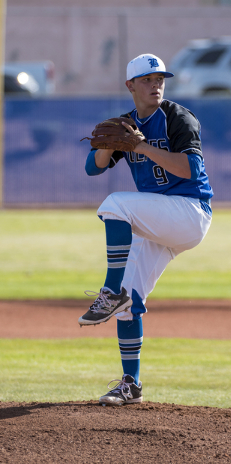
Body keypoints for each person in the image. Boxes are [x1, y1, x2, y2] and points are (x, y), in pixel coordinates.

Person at [78, 53, 213, 406]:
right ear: (131, 86)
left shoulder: (177, 117)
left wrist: (139, 146)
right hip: (159, 223)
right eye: (148, 80)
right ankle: (130, 385)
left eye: (160, 79)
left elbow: (187, 169)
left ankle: (108, 291)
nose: (156, 85)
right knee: (131, 298)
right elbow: (93, 168)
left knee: (114, 204)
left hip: (189, 211)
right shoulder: (125, 123)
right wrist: (108, 146)